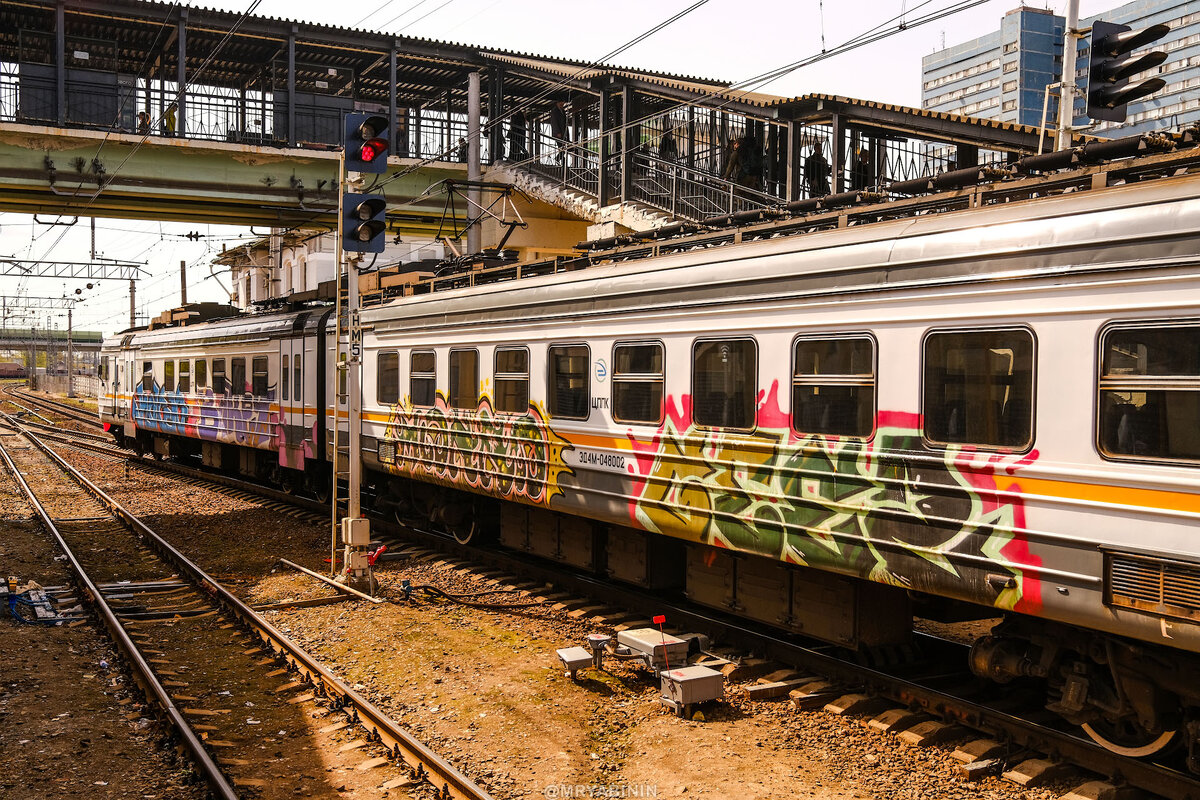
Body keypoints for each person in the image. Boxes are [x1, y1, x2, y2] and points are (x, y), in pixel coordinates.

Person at [549, 100, 568, 164]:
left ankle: (560, 160)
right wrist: (557, 132)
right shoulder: (554, 111)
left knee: (563, 147)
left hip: (563, 133)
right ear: (557, 102)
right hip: (558, 133)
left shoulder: (563, 111)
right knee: (561, 148)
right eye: (561, 102)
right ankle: (560, 160)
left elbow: (565, 123)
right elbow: (554, 122)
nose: (563, 103)